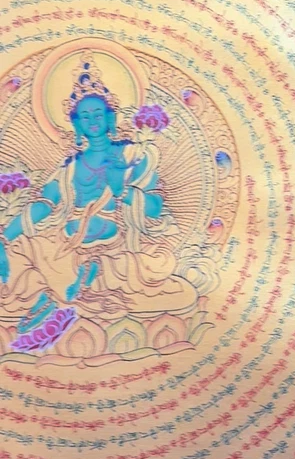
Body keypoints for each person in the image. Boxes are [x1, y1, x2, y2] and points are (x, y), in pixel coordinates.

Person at [0, 63, 197, 333]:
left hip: (115, 249)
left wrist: (121, 190)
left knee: (158, 264)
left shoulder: (133, 155)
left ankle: (73, 286)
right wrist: (5, 236)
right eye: (85, 116)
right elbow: (43, 205)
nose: (92, 120)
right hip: (66, 245)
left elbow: (155, 209)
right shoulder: (69, 167)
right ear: (76, 124)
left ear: (110, 118)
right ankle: (62, 290)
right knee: (18, 249)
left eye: (98, 113)